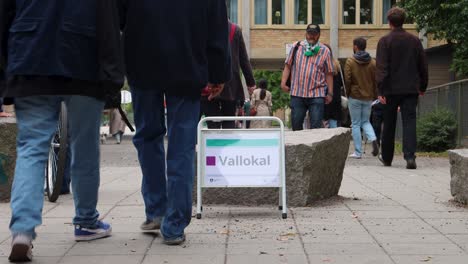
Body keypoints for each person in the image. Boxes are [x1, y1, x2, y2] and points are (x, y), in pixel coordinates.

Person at [0, 0, 123, 261]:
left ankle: (22, 231)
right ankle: (86, 221)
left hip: (30, 58)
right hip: (83, 60)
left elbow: (4, 14)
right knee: (85, 146)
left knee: (31, 147)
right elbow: (108, 21)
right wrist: (113, 77)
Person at [119, 0, 231, 245]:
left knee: (148, 137)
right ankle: (175, 223)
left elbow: (116, 17)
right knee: (182, 144)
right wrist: (219, 73)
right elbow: (217, 26)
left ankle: (156, 210)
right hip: (187, 63)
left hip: (142, 63)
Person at [376, 7, 428, 169]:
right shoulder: (414, 41)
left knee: (389, 123)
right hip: (410, 88)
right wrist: (422, 86)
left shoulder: (384, 41)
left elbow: (382, 68)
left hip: (391, 89)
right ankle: (410, 157)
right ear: (403, 21)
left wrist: (381, 90)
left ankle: (387, 158)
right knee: (409, 122)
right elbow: (423, 66)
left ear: (389, 22)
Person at [200, 20, 255, 129]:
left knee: (212, 121)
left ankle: (214, 143)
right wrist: (251, 83)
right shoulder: (235, 30)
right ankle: (227, 144)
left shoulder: (203, 27)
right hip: (230, 82)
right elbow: (243, 59)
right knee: (229, 119)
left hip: (208, 82)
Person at [281, 24, 334, 130]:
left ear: (319, 35)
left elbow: (329, 73)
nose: (311, 36)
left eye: (314, 34)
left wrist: (330, 93)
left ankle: (315, 147)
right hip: (297, 93)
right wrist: (283, 83)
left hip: (317, 94)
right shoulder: (296, 47)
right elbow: (287, 66)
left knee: (316, 127)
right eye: (309, 33)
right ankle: (299, 146)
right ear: (306, 33)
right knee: (296, 125)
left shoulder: (325, 51)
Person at [344, 37, 379, 159]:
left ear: (355, 46)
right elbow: (376, 80)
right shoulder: (373, 62)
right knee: (365, 121)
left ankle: (358, 152)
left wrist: (348, 93)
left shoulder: (350, 61)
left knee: (355, 123)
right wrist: (374, 94)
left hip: (355, 95)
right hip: (368, 96)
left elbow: (347, 79)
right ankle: (373, 139)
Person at [323, 43, 343, 128]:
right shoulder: (337, 65)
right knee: (333, 121)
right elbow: (342, 83)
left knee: (322, 121)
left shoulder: (321, 65)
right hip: (335, 98)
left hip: (323, 97)